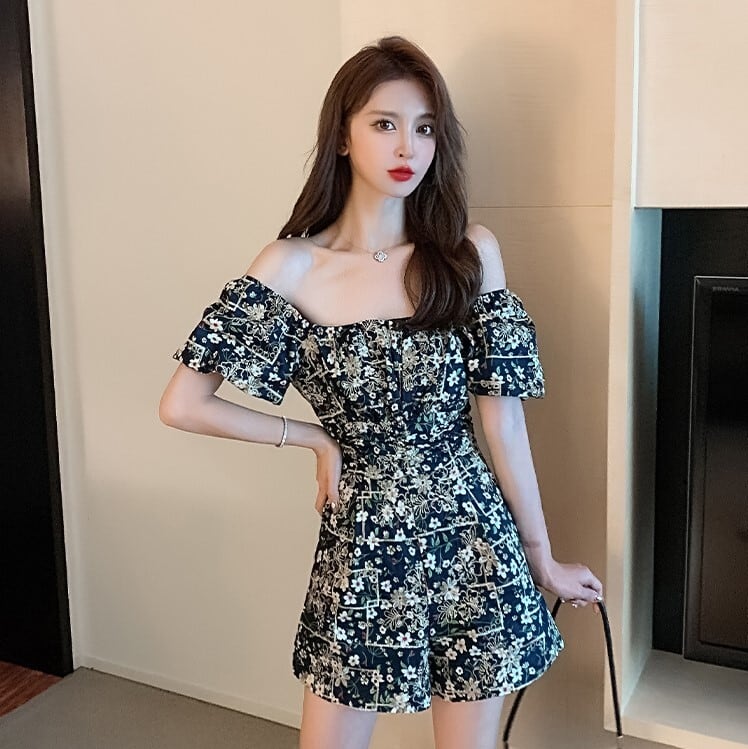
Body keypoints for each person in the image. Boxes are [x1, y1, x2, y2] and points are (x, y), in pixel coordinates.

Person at [159, 34, 603, 749]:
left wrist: (541, 554)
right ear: (342, 135)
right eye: (384, 123)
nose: (408, 147)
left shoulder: (468, 254)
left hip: (474, 538)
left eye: (425, 128)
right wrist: (311, 436)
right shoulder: (292, 266)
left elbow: (504, 425)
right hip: (363, 543)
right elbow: (183, 403)